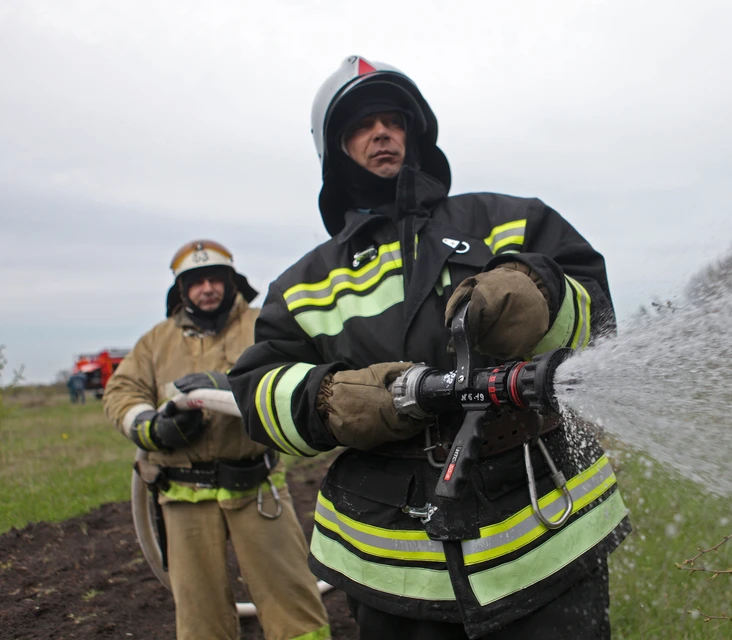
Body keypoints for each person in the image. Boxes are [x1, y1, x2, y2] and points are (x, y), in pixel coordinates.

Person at [229, 56, 631, 639]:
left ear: (415, 135)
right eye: (362, 125)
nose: (382, 132)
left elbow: (595, 311)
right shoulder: (305, 284)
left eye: (394, 119)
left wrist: (537, 292)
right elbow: (256, 392)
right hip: (393, 568)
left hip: (545, 530)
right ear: (336, 149)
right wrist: (332, 399)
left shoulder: (506, 222)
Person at [102, 240, 329, 640]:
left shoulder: (264, 325)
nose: (207, 288)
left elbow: (300, 374)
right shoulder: (156, 342)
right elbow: (121, 392)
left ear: (230, 281)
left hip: (257, 489)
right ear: (181, 290)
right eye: (195, 282)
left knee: (293, 603)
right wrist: (151, 427)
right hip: (182, 494)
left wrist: (233, 386)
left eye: (214, 279)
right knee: (199, 616)